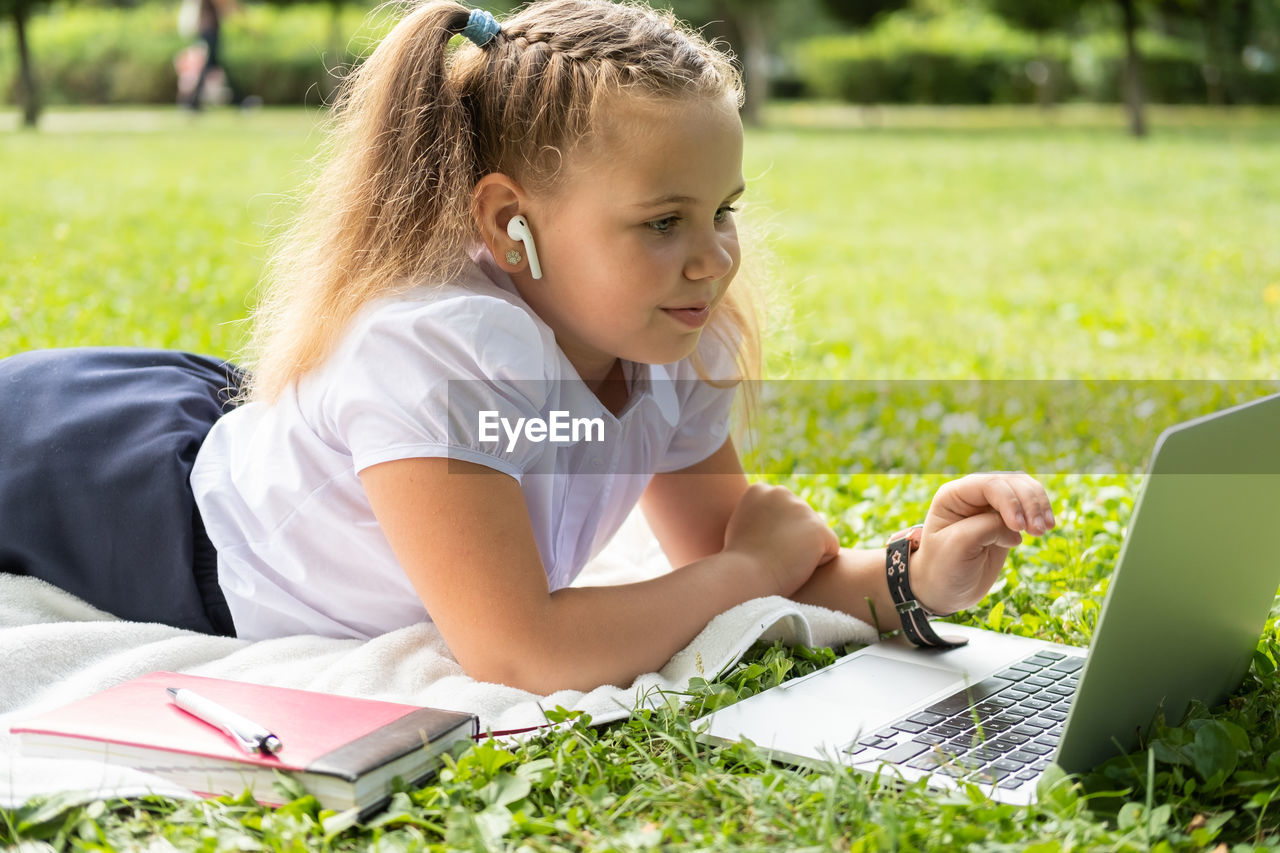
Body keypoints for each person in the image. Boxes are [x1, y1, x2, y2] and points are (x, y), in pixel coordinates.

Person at [0, 0, 1053, 694]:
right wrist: (745, 567)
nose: (710, 260)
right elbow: (521, 649)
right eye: (659, 222)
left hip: (244, 437)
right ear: (511, 222)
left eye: (720, 211)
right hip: (117, 497)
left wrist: (917, 571)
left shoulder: (669, 337)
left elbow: (751, 565)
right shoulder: (436, 356)